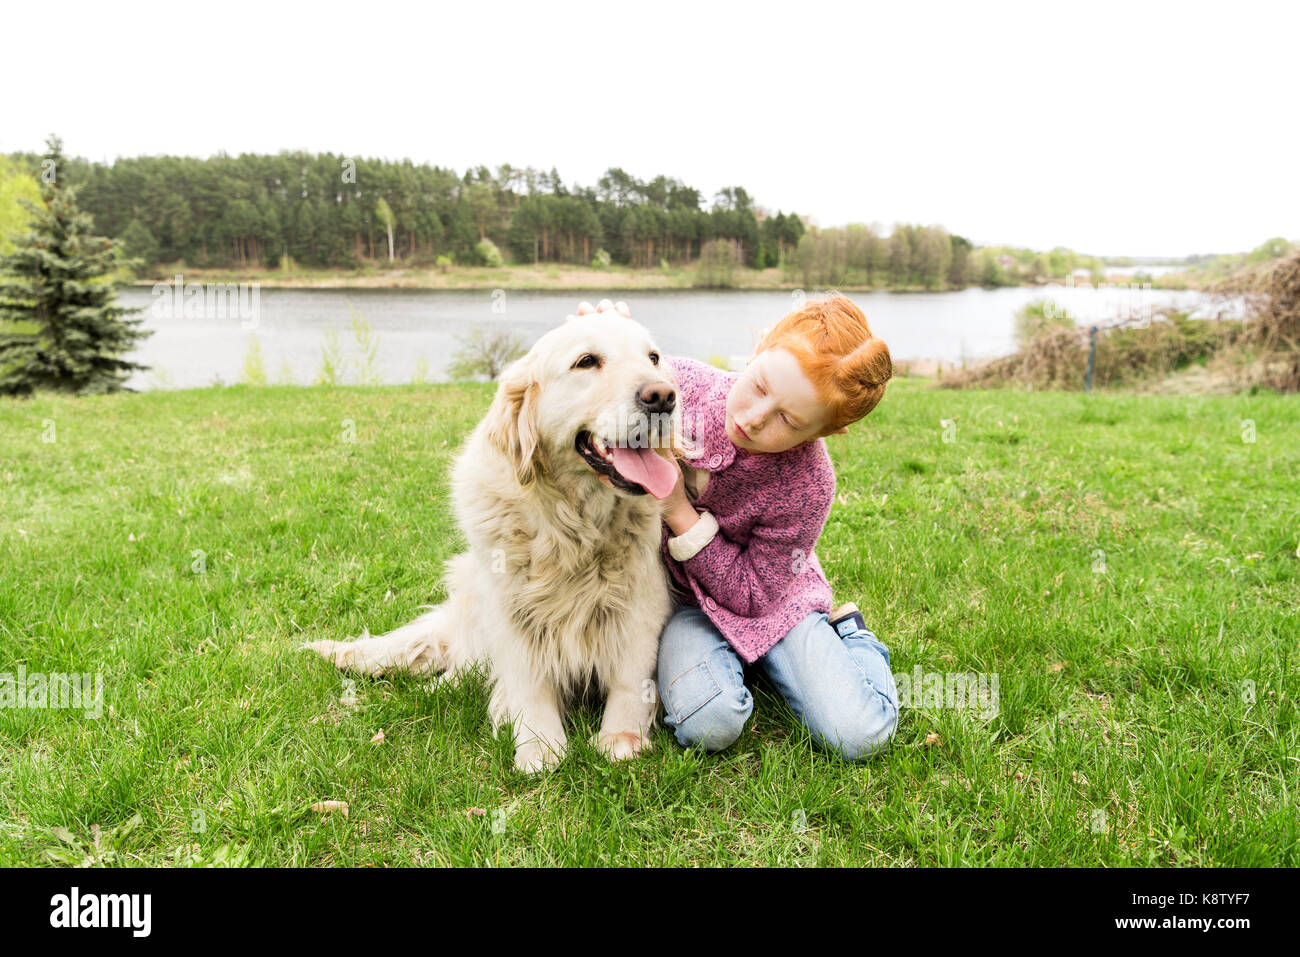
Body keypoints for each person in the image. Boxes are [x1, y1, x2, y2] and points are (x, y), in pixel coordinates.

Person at [647, 293, 900, 760]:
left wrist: (681, 514)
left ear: (824, 432)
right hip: (683, 603)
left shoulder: (810, 484)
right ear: (761, 345)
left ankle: (852, 637)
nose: (753, 418)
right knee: (709, 724)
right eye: (760, 386)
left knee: (859, 736)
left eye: (788, 419)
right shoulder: (676, 386)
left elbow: (753, 594)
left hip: (775, 603)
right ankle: (749, 667)